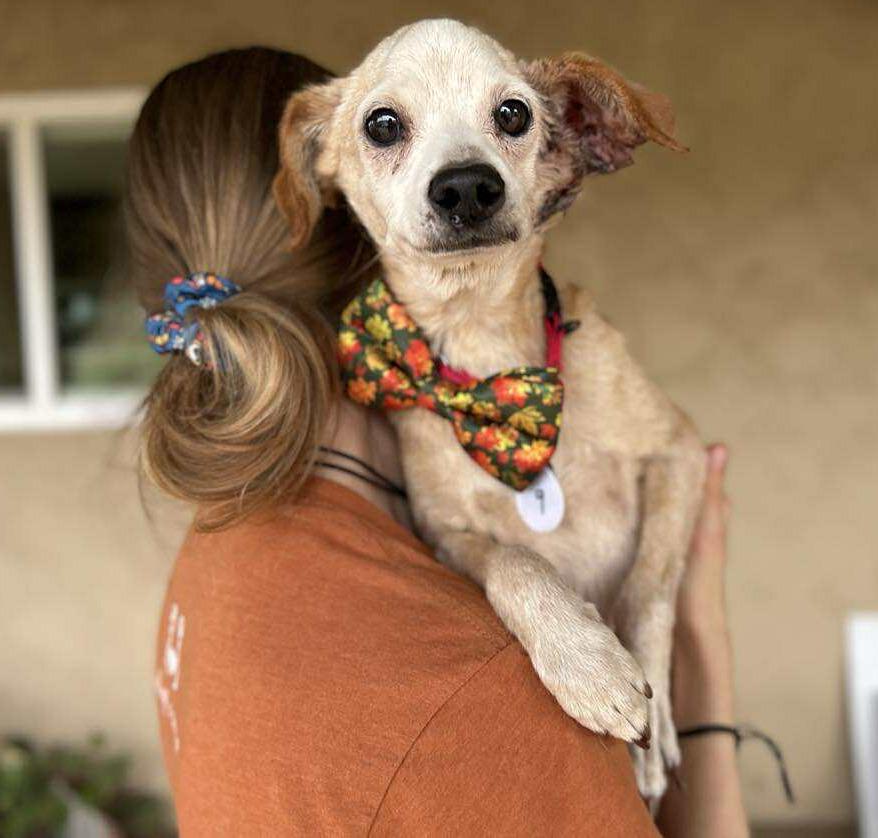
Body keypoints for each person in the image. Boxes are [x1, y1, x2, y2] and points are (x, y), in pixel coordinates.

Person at [128, 47, 748, 836]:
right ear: (357, 217)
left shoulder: (212, 558)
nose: (461, 174)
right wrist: (705, 678)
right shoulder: (486, 684)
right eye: (388, 129)